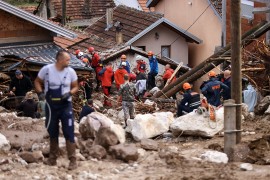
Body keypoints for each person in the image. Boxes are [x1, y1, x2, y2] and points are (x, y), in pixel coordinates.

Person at [34, 50, 79, 170]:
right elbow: (37, 82)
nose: (69, 62)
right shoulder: (47, 70)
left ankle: (73, 160)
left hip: (65, 106)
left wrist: (69, 93)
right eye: (67, 59)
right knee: (52, 131)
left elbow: (75, 86)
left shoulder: (71, 72)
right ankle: (52, 159)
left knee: (69, 131)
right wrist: (40, 93)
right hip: (51, 106)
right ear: (60, 60)